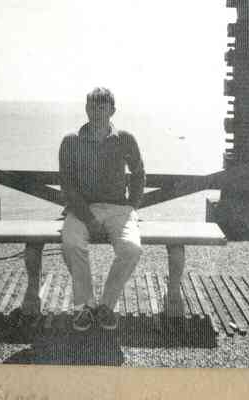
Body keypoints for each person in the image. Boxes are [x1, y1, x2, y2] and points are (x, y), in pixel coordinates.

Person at [59, 87, 146, 331]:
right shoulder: (71, 141)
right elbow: (67, 184)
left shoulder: (125, 139)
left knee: (131, 249)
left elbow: (139, 173)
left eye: (102, 107)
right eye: (92, 106)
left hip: (119, 209)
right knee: (71, 244)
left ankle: (106, 305)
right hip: (81, 209)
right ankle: (85, 306)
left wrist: (133, 206)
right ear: (86, 109)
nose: (96, 111)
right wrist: (88, 218)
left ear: (112, 110)